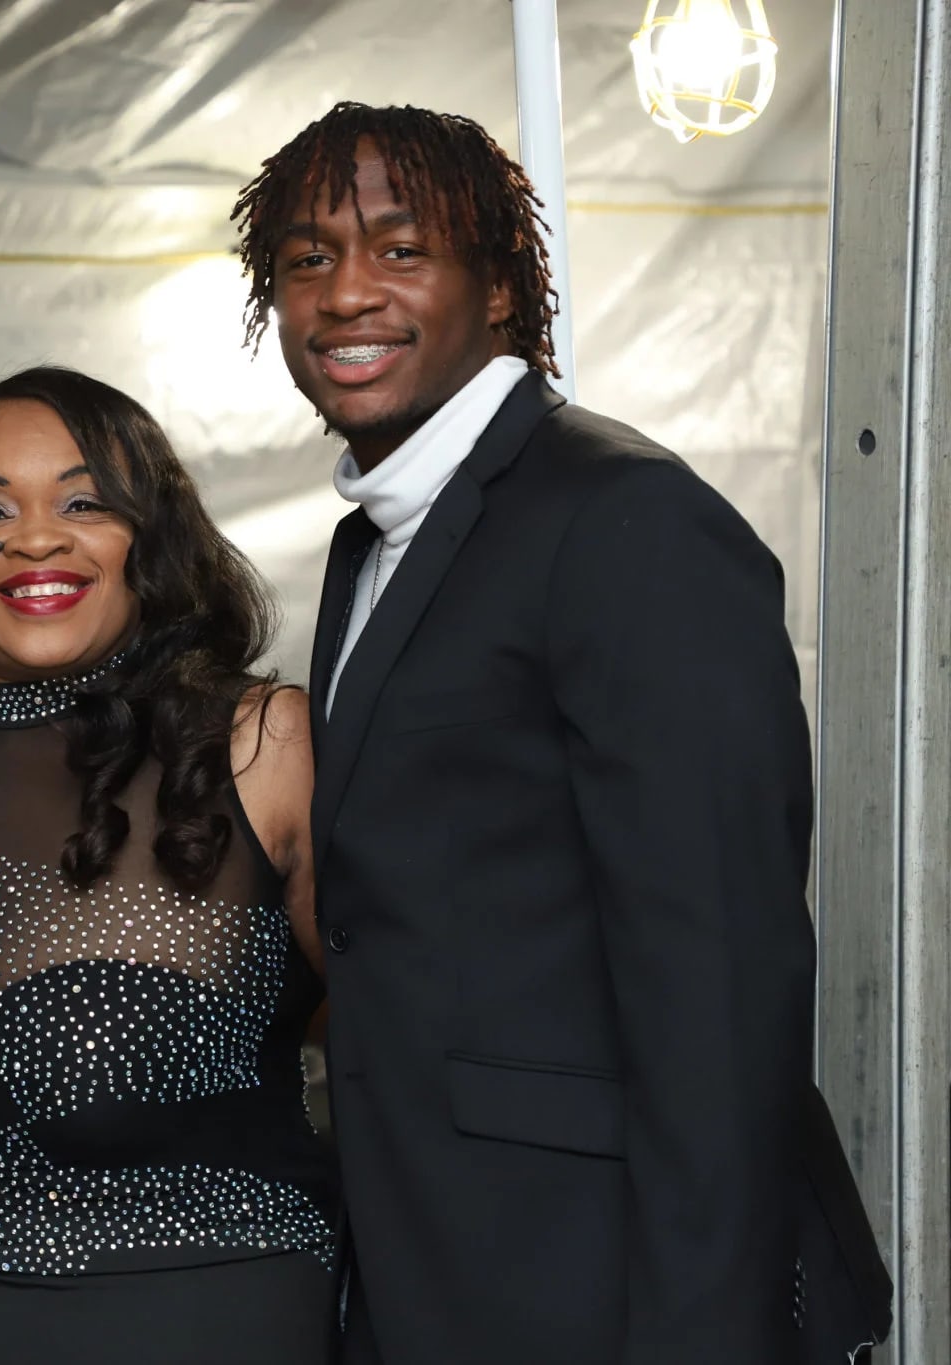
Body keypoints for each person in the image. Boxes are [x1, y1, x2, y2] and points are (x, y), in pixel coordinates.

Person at [231, 101, 861, 1363]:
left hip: (601, 1286)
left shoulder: (626, 521)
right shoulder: (374, 539)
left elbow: (718, 990)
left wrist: (702, 1340)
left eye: (400, 249)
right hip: (436, 1263)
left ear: (501, 288)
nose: (345, 292)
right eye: (306, 259)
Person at [0, 367, 335, 1365]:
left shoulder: (261, 742)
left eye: (84, 503)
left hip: (214, 1319)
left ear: (151, 541)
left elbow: (406, 1050)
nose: (34, 538)